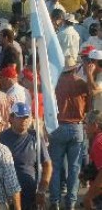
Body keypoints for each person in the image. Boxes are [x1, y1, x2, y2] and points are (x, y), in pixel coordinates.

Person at [49, 56, 90, 209]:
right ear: (75, 68)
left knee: (55, 166)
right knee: (74, 168)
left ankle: (55, 201)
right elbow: (87, 106)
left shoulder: (56, 83)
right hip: (76, 127)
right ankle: (71, 203)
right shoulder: (81, 83)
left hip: (59, 125)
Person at [0, 103, 52, 210]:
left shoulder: (36, 137)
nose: (24, 120)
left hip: (30, 192)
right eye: (20, 117)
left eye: (26, 117)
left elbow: (47, 165)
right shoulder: (2, 138)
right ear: (11, 118)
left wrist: (42, 190)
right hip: (7, 193)